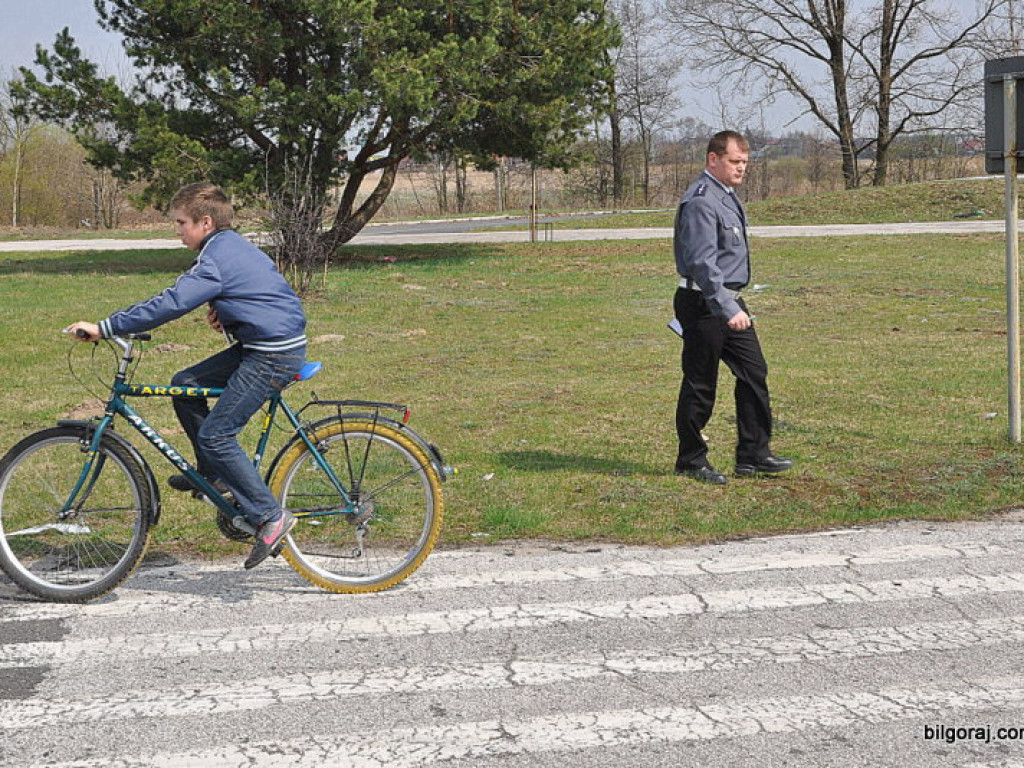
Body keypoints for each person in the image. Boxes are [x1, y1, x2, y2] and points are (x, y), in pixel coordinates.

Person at [65, 182, 308, 568]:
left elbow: (172, 302)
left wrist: (106, 326)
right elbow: (262, 288)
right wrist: (230, 315)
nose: (176, 229)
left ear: (205, 222)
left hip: (272, 355)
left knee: (217, 434)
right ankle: (215, 474)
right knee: (185, 384)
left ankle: (270, 516)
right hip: (265, 343)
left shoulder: (215, 258)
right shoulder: (231, 246)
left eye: (180, 222)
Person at [672, 131, 792, 485]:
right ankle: (691, 460)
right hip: (704, 303)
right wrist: (727, 307)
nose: (741, 169)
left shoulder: (724, 197)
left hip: (728, 300)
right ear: (713, 159)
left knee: (754, 372)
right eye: (734, 162)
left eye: (744, 163)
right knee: (701, 382)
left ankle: (753, 454)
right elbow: (702, 263)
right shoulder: (700, 201)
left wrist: (732, 302)